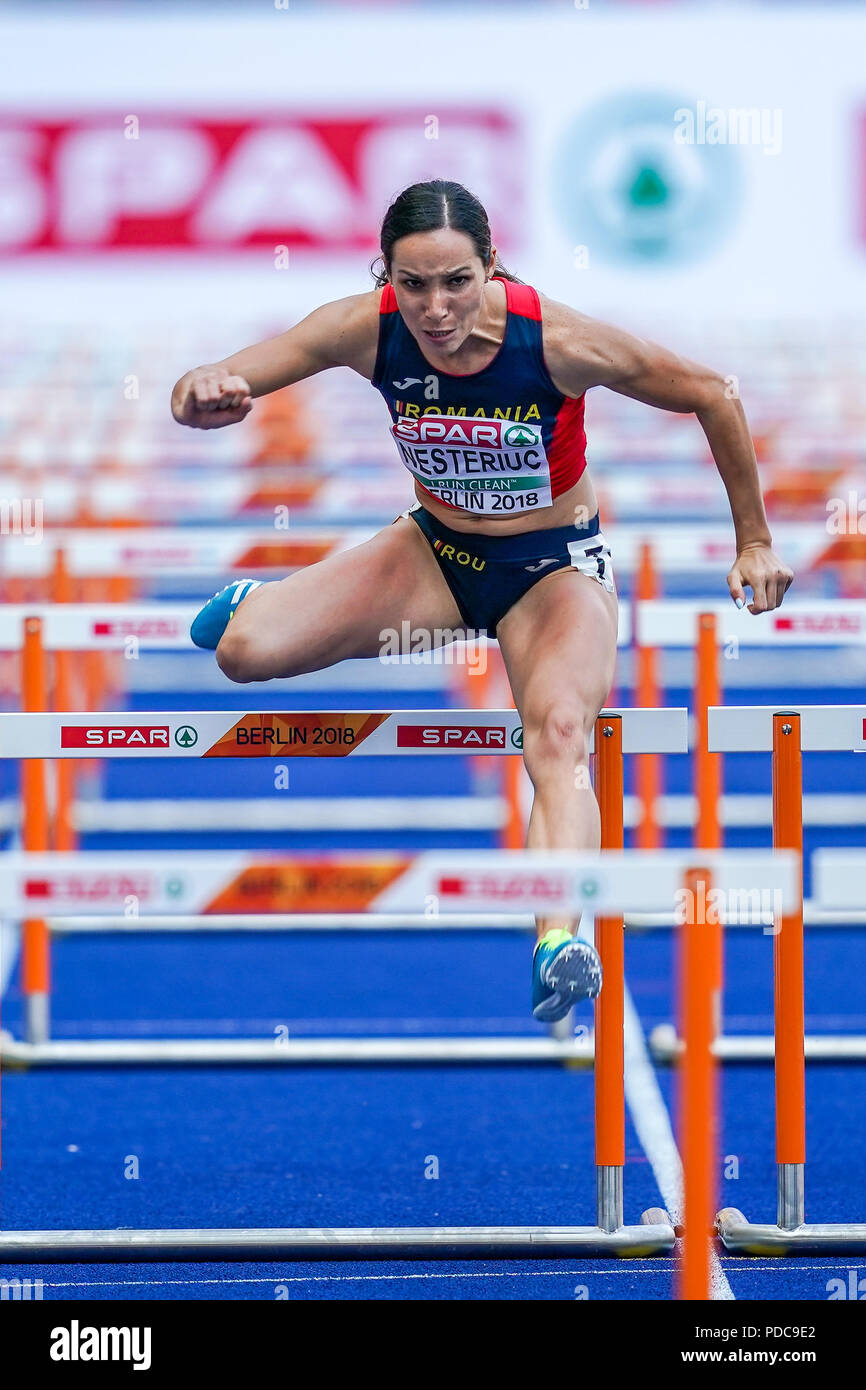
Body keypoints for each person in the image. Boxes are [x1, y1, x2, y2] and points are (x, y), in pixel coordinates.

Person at [171, 179, 794, 1023]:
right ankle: (258, 601)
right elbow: (216, 381)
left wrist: (753, 539)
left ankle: (555, 941)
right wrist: (201, 398)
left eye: (456, 282)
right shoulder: (364, 327)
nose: (434, 308)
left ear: (491, 267)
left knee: (562, 729)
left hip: (552, 571)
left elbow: (712, 394)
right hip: (436, 554)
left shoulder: (560, 341)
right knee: (243, 654)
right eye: (413, 284)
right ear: (383, 278)